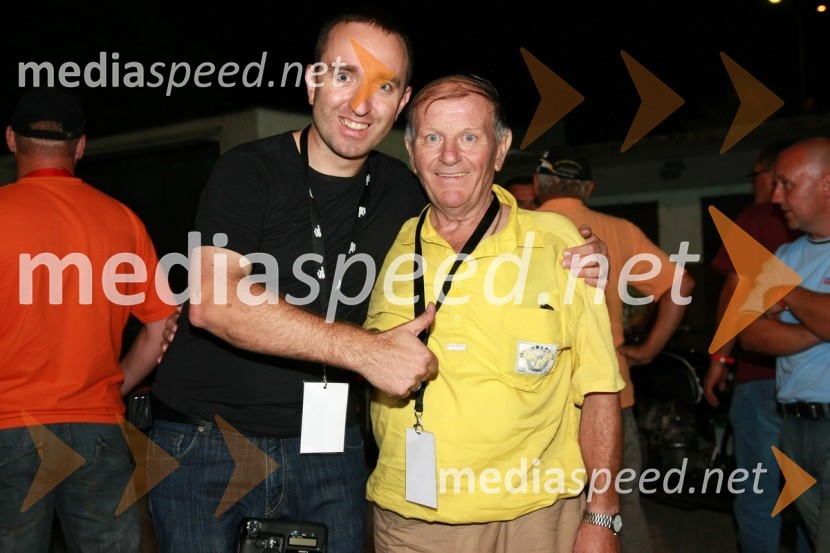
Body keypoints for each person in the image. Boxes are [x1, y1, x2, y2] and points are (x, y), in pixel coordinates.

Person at [149, 10, 607, 553]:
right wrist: (366, 353)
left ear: (402, 100)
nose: (362, 104)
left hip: (331, 448)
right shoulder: (248, 170)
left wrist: (577, 248)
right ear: (312, 81)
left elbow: (478, 211)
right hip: (207, 440)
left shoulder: (409, 191)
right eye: (345, 75)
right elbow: (214, 302)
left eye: (384, 86)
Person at [366, 74, 624, 553]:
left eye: (469, 137)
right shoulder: (381, 238)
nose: (449, 156)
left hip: (538, 519)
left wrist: (602, 515)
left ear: (501, 149)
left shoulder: (560, 243)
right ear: (411, 152)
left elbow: (599, 387)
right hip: (412, 520)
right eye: (432, 138)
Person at [0, 89, 172, 552]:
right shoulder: (122, 221)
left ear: (12, 139)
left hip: (7, 425)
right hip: (99, 427)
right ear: (79, 146)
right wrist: (116, 385)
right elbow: (162, 327)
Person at [533, 145, 695, 553]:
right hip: (609, 394)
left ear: (538, 184)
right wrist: (649, 350)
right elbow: (681, 284)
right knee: (618, 511)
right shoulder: (619, 230)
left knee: (539, 516)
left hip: (537, 398)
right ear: (588, 188)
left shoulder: (519, 227)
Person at [703, 142, 805, 553]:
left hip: (762, 375)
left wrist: (719, 359)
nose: (759, 186)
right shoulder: (814, 228)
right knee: (809, 495)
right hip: (812, 382)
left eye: (757, 176)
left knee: (759, 491)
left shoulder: (758, 218)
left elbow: (735, 293)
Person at [740, 137, 830, 552]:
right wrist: (818, 322)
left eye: (787, 184)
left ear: (826, 183)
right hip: (794, 427)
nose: (776, 197)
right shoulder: (786, 253)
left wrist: (789, 294)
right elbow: (749, 333)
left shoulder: (781, 268)